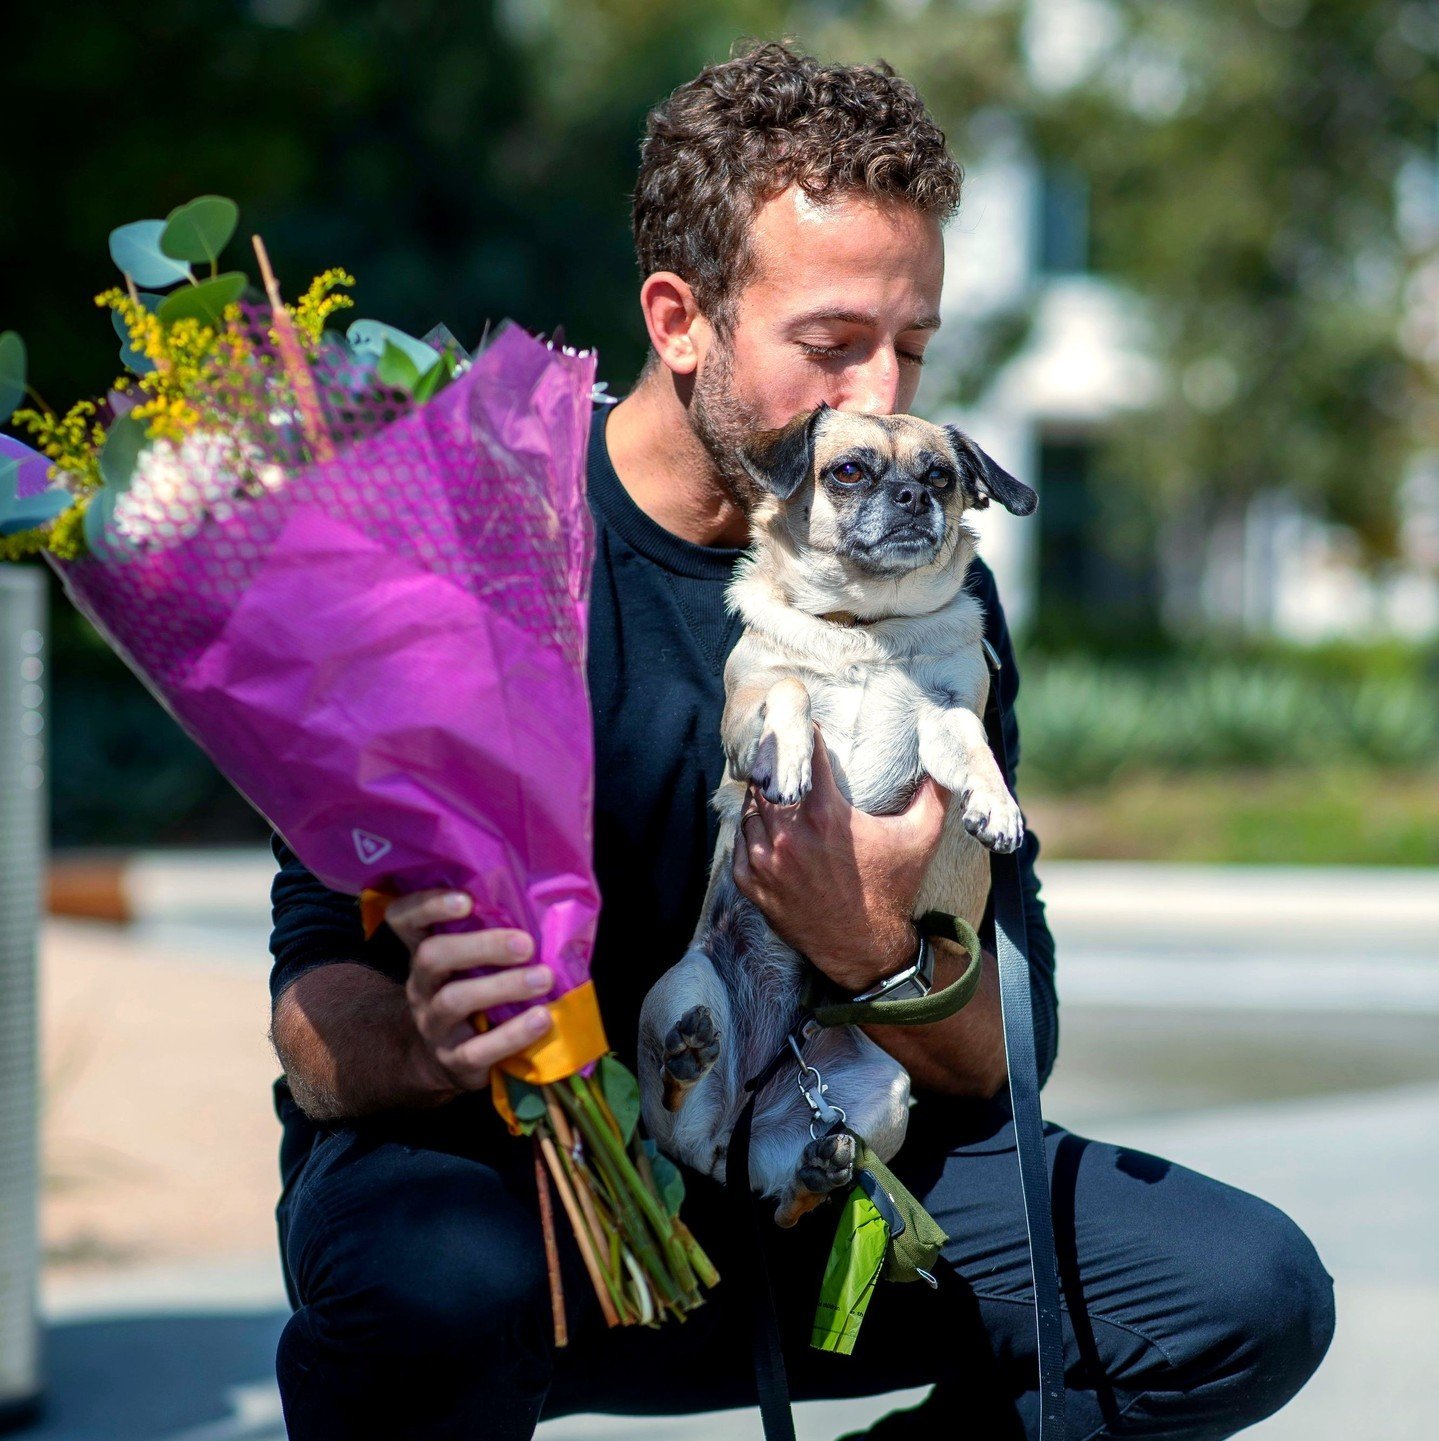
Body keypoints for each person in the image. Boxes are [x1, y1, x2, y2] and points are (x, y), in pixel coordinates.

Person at [266, 40, 1333, 1440]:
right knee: (427, 1279)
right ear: (680, 317)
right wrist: (423, 1037)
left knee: (1243, 1294)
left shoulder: (934, 584)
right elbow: (308, 1023)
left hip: (821, 1189)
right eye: (832, 345)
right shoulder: (468, 543)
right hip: (523, 1205)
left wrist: (876, 947)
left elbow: (1010, 1049)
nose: (880, 399)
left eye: (914, 348)